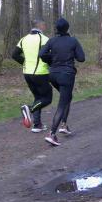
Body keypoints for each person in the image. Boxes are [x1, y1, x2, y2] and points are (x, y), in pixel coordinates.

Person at [38, 18, 85, 146]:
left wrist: (51, 59)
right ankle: (52, 134)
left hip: (53, 75)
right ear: (67, 28)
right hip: (66, 75)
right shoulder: (73, 41)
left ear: (56, 29)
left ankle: (64, 125)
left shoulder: (52, 40)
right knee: (62, 103)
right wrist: (71, 54)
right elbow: (81, 58)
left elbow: (41, 54)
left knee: (67, 97)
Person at [13, 19, 52, 133]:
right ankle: (28, 109)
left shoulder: (23, 39)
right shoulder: (44, 39)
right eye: (44, 25)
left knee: (38, 98)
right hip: (40, 73)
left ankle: (37, 125)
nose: (45, 27)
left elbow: (14, 55)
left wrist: (25, 63)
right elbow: (49, 56)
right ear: (40, 26)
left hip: (27, 73)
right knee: (47, 99)